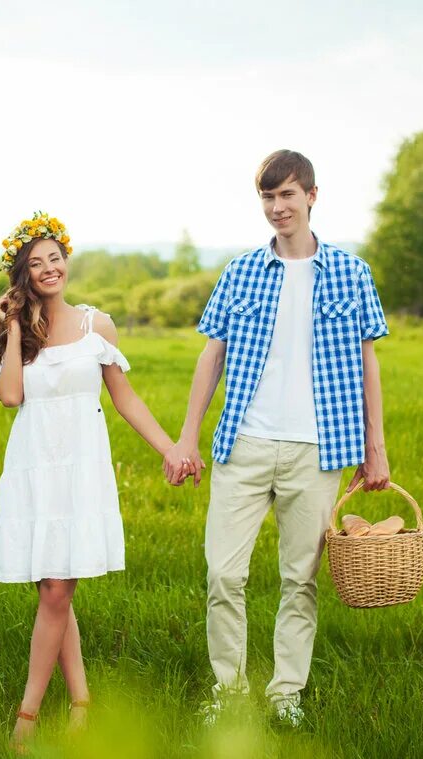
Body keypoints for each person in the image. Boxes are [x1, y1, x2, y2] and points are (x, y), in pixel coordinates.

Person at [163, 150, 391, 727]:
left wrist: (376, 447)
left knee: (300, 581)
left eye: (287, 195)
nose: (277, 207)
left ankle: (286, 694)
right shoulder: (241, 272)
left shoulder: (350, 271)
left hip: (318, 451)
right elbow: (210, 356)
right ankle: (229, 693)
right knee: (223, 575)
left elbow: (368, 365)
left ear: (312, 196)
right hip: (244, 443)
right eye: (268, 197)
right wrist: (188, 438)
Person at [0, 211, 180, 753]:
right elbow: (12, 396)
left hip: (81, 469)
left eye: (55, 258)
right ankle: (82, 705)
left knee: (57, 588)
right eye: (36, 263)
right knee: (54, 588)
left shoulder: (98, 326)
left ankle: (27, 716)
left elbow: (126, 399)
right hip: (34, 469)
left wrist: (171, 448)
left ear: (68, 261)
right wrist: (16, 326)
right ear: (22, 275)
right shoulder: (19, 334)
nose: (49, 269)